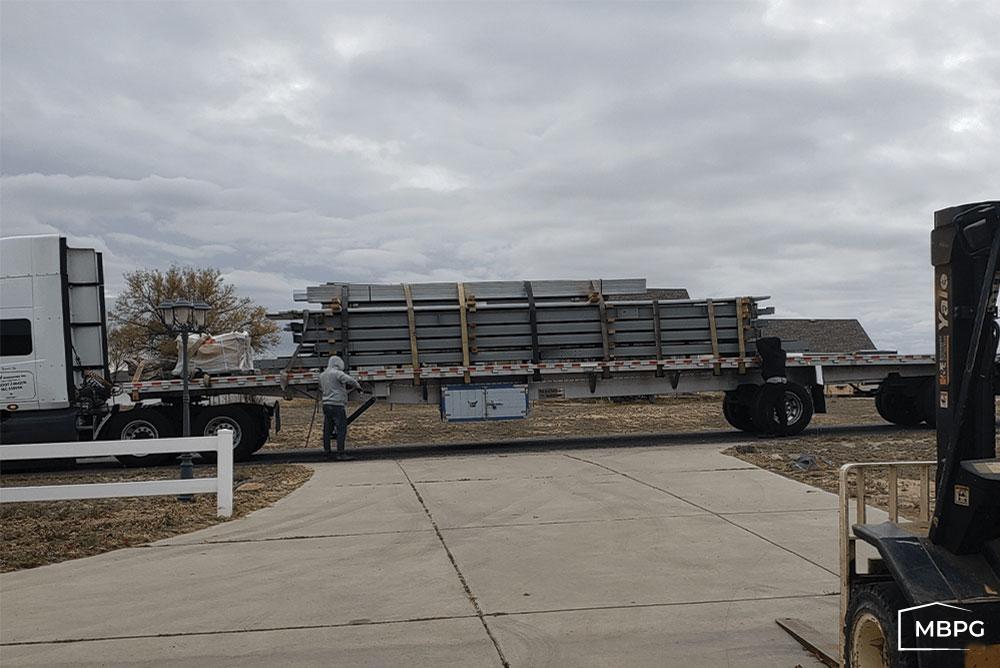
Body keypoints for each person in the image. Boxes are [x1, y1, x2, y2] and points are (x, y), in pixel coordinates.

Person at [319, 355, 362, 459]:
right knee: (341, 428)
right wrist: (358, 386)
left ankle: (326, 453)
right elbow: (350, 380)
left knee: (327, 429)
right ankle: (340, 453)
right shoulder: (337, 373)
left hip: (326, 404)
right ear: (338, 363)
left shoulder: (322, 375)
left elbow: (321, 387)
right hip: (337, 405)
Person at [755, 337, 788, 436]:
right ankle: (783, 430)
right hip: (782, 382)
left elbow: (759, 343)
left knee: (767, 407)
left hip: (772, 383)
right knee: (780, 407)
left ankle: (770, 430)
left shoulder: (769, 353)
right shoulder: (782, 354)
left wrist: (763, 339)